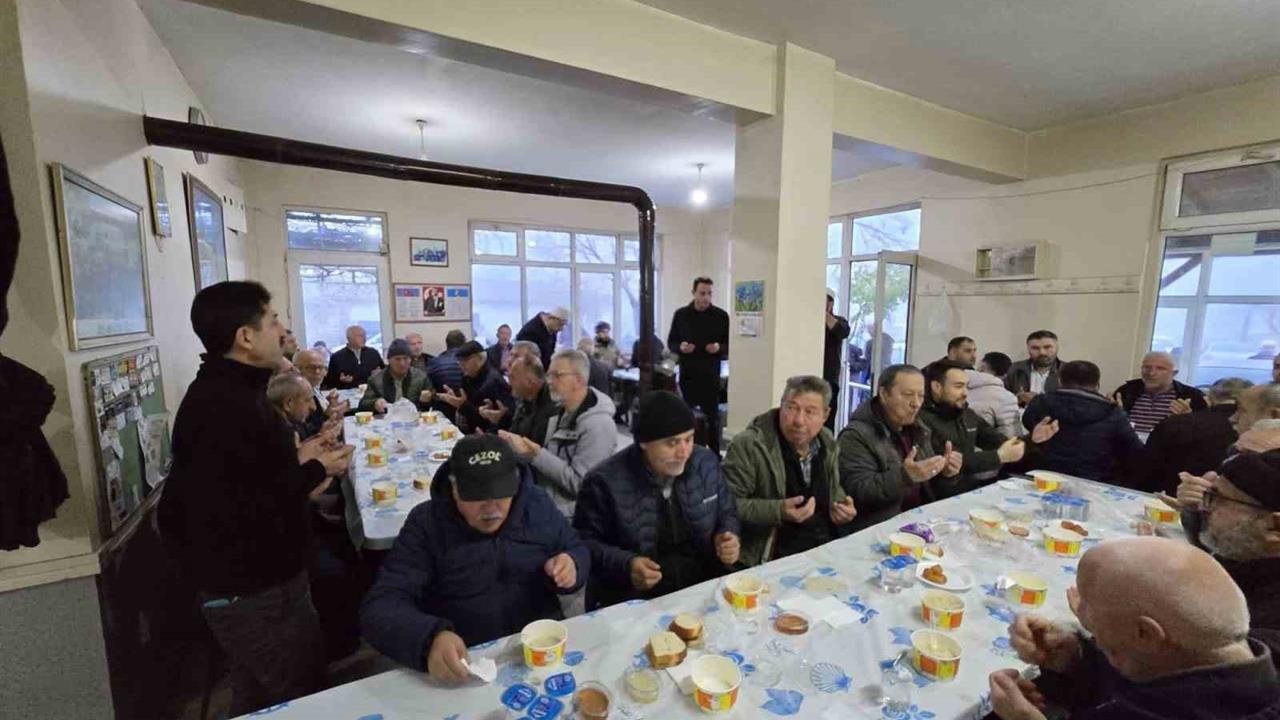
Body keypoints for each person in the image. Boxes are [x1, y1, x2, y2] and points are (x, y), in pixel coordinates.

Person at [159, 281, 353, 716]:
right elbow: (257, 504)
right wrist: (323, 467)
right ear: (245, 337)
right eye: (273, 320)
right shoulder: (226, 405)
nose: (283, 331)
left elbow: (250, 478)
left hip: (260, 579)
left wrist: (304, 453)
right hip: (252, 588)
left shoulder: (235, 391)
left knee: (260, 697)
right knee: (297, 697)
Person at [359, 435, 589, 681]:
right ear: (454, 487)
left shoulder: (537, 505)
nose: (491, 509)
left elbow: (575, 546)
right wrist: (429, 638)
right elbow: (381, 606)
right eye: (477, 496)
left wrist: (572, 563)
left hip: (538, 649)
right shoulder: (426, 524)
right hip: (465, 661)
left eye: (501, 495)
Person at [987, 537, 1280, 720]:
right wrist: (1078, 658)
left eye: (1088, 608)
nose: (1082, 617)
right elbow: (1153, 680)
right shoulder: (1232, 656)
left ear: (1146, 634)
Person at [574, 391, 740, 609]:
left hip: (703, 586)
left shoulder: (705, 463)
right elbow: (584, 543)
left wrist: (728, 536)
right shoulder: (603, 482)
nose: (683, 453)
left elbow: (727, 511)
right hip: (637, 597)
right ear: (644, 443)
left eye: (688, 439)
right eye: (672, 443)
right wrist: (627, 565)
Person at [724, 376, 858, 565]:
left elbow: (834, 491)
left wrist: (842, 508)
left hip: (822, 547)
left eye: (810, 412)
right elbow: (727, 505)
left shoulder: (827, 442)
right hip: (771, 555)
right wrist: (778, 511)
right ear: (781, 406)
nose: (798, 421)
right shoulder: (750, 445)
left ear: (825, 415)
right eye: (791, 408)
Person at [838, 365, 959, 532]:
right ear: (884, 394)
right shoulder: (856, 435)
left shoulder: (919, 428)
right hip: (881, 528)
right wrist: (905, 476)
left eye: (921, 396)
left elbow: (929, 485)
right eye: (908, 395)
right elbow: (858, 491)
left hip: (922, 519)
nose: (916, 404)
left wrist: (946, 473)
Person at [499, 349, 616, 517]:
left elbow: (581, 485)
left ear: (578, 380)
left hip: (571, 515)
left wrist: (536, 454)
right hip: (545, 498)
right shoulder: (560, 412)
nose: (550, 382)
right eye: (548, 375)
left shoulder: (598, 425)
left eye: (557, 375)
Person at [1176, 449, 1280, 633]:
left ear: (1275, 527)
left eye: (1218, 499)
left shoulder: (1260, 630)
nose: (1204, 506)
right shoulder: (1248, 558)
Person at [917, 361, 1048, 498]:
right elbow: (945, 461)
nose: (965, 393)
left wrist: (1031, 439)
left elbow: (997, 441)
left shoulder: (966, 414)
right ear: (936, 387)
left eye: (966, 386)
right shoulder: (920, 418)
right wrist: (998, 456)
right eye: (958, 386)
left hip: (967, 492)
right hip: (933, 498)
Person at [1022, 360, 1143, 484]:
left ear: (1059, 380)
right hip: (1095, 480)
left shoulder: (1040, 402)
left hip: (1043, 476)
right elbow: (1135, 450)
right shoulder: (1112, 411)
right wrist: (1123, 415)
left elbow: (1028, 426)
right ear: (1097, 384)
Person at [1141, 377, 1252, 494]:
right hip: (1225, 500)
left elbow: (1146, 465)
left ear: (1208, 399)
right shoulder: (1251, 430)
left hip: (1169, 496)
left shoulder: (1176, 423)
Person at [668, 277, 730, 454]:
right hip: (688, 375)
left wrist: (719, 348)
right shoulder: (681, 315)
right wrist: (680, 347)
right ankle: (689, 452)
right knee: (688, 418)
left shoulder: (720, 316)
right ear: (694, 293)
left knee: (713, 418)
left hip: (711, 375)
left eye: (709, 294)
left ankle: (715, 454)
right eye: (702, 293)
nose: (706, 298)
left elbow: (730, 344)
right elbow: (672, 341)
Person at [1112, 351, 1207, 434]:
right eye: (1147, 367)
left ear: (1174, 373)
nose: (1151, 373)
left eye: (1160, 368)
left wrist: (1187, 419)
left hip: (1168, 451)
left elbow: (1203, 435)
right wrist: (1111, 413)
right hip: (1128, 449)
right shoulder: (1126, 391)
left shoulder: (1192, 397)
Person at [436, 341, 513, 433]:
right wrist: (457, 399)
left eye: (465, 360)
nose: (461, 365)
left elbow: (486, 419)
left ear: (480, 358)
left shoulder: (493, 382)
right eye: (459, 361)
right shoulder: (468, 376)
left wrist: (462, 405)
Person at [487, 353, 556, 446]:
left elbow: (533, 447)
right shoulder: (524, 401)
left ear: (529, 381)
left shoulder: (551, 409)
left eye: (512, 377)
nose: (509, 383)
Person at [358, 338, 435, 413]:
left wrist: (428, 399)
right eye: (397, 359)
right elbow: (362, 405)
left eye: (405, 358)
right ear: (389, 360)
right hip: (387, 419)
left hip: (414, 419)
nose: (402, 363)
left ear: (410, 359)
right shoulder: (376, 379)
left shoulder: (421, 377)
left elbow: (434, 402)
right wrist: (374, 403)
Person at [967, 351, 1022, 439]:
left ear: (982, 367)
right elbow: (1010, 436)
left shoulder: (955, 387)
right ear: (1005, 375)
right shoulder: (1006, 397)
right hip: (984, 449)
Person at [294, 349, 347, 437]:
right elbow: (308, 432)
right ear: (296, 369)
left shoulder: (315, 388)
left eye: (321, 368)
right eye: (312, 367)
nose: (318, 372)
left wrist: (330, 409)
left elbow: (319, 419)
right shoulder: (296, 395)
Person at [1006, 330, 1063, 407]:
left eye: (1047, 347)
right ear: (1028, 349)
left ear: (1057, 347)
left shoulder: (1068, 371)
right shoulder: (1013, 369)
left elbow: (1076, 403)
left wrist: (1040, 400)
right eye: (1035, 348)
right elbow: (1000, 400)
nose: (1042, 352)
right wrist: (1017, 398)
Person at [323, 325, 385, 390]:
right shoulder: (337, 357)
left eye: (364, 335)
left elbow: (385, 373)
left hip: (371, 392)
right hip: (347, 393)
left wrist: (379, 374)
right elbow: (329, 383)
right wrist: (341, 381)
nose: (364, 339)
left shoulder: (373, 353)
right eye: (360, 336)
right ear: (349, 338)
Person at [823, 291, 851, 431]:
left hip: (830, 378)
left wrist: (824, 313)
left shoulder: (840, 321)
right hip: (811, 377)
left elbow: (842, 332)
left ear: (831, 303)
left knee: (828, 420)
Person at [516, 306, 569, 371]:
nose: (561, 329)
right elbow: (527, 360)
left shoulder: (552, 331)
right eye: (560, 324)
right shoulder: (530, 331)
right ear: (551, 319)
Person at [426, 329, 467, 394]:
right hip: (467, 401)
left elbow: (428, 385)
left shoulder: (434, 362)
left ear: (447, 343)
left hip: (442, 400)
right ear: (464, 343)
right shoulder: (469, 361)